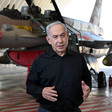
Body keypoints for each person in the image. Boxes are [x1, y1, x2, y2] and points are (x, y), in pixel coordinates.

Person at [26, 21, 92, 112]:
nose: (60, 40)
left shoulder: (78, 59)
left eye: (62, 35)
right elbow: (30, 86)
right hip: (47, 110)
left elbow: (87, 79)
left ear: (67, 36)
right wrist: (42, 91)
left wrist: (88, 87)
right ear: (49, 40)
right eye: (55, 37)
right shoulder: (40, 61)